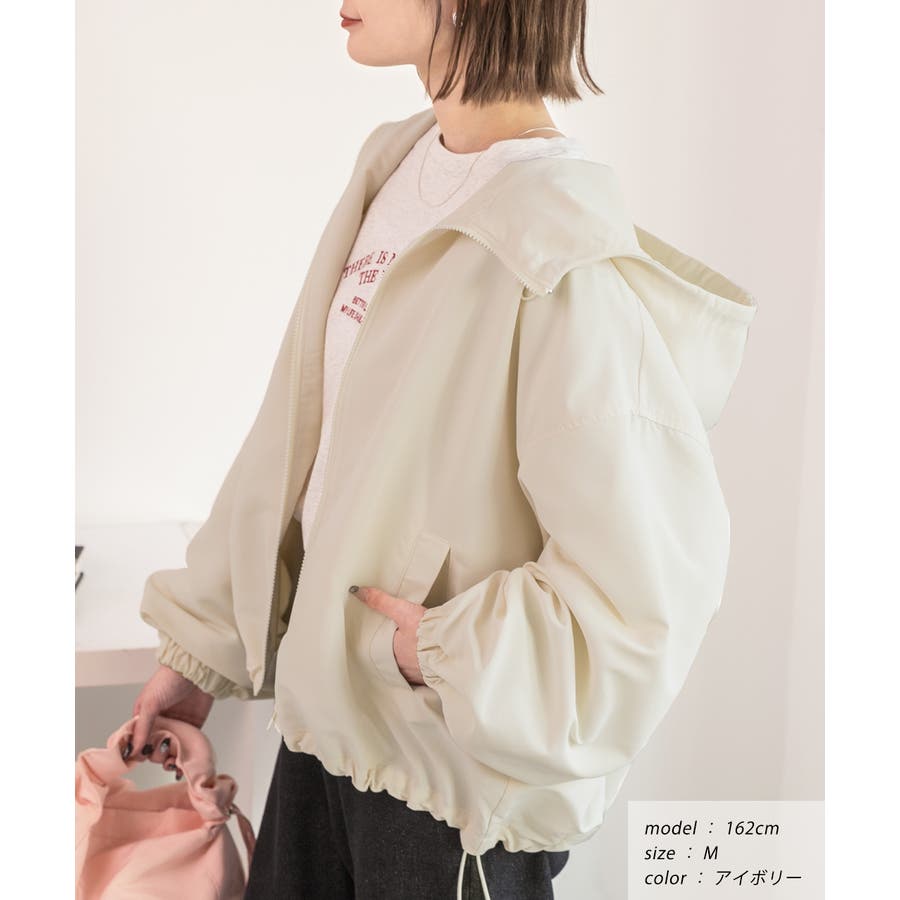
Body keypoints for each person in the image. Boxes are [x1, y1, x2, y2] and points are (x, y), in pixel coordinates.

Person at [128, 2, 758, 899]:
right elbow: (304, 441)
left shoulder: (557, 245)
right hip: (320, 746)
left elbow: (645, 589)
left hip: (446, 805)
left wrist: (435, 654)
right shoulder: (396, 166)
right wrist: (200, 653)